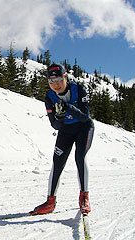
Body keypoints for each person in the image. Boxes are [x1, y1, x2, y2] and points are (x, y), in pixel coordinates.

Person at [30, 63, 94, 216]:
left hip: (84, 128)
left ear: (65, 77)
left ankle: (84, 197)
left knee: (80, 158)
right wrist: (59, 117)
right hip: (66, 130)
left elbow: (85, 116)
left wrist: (68, 108)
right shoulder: (49, 97)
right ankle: (50, 201)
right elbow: (55, 125)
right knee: (57, 163)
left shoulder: (78, 89)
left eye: (58, 79)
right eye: (51, 81)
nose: (55, 84)